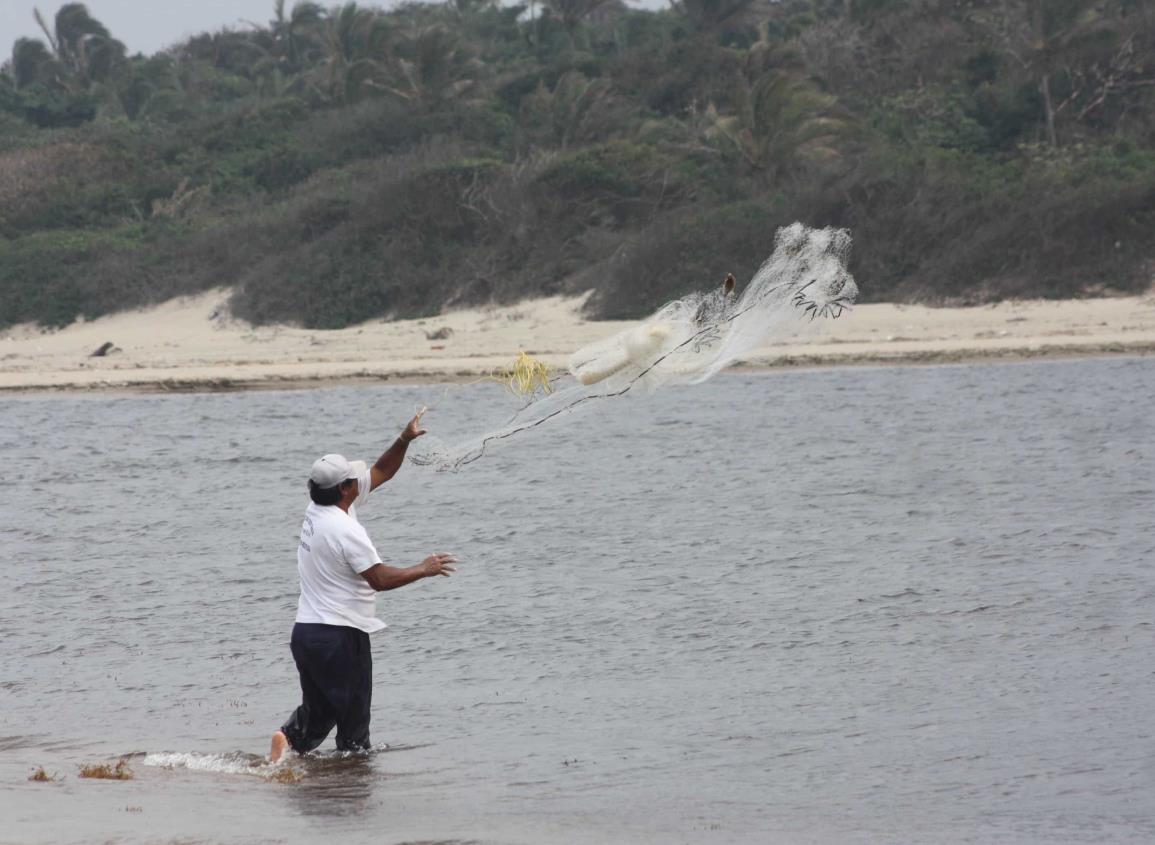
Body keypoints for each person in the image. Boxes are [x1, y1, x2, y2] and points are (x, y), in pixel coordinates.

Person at [269, 408, 458, 763]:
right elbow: (380, 579)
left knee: (319, 713)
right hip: (340, 637)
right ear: (343, 489)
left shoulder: (318, 508)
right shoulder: (346, 531)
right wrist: (424, 568)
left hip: (307, 633)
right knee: (355, 730)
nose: (361, 479)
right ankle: (356, 798)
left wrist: (403, 439)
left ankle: (285, 744)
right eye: (354, 479)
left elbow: (382, 471)